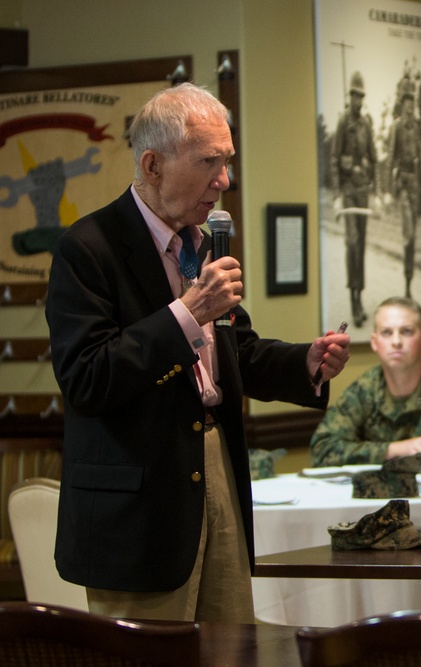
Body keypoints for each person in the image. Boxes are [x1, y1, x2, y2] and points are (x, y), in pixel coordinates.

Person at [45, 83, 351, 624]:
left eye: (228, 161)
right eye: (210, 161)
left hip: (218, 472)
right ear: (153, 164)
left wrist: (304, 362)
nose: (224, 180)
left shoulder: (202, 243)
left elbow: (237, 354)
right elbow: (87, 379)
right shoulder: (87, 248)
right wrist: (187, 313)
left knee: (234, 647)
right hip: (139, 508)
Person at [310, 296, 421, 471]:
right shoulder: (366, 388)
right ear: (374, 342)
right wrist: (393, 449)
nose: (396, 342)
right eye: (386, 333)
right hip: (379, 495)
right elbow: (321, 452)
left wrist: (373, 456)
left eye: (406, 331)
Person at [332, 71, 378, 328]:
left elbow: (374, 158)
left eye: (361, 96)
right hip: (349, 191)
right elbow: (334, 159)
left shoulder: (366, 125)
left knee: (362, 245)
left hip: (362, 191)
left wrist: (377, 190)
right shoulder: (343, 123)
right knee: (352, 244)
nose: (357, 101)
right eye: (354, 96)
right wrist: (338, 194)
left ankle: (359, 295)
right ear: (349, 97)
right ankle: (354, 301)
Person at [387, 80, 421, 299]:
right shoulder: (396, 126)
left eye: (412, 100)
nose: (410, 105)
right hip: (403, 187)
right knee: (409, 237)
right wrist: (387, 190)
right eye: (406, 100)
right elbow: (389, 159)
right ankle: (407, 282)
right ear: (401, 102)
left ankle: (408, 284)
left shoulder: (415, 130)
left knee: (413, 240)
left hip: (415, 188)